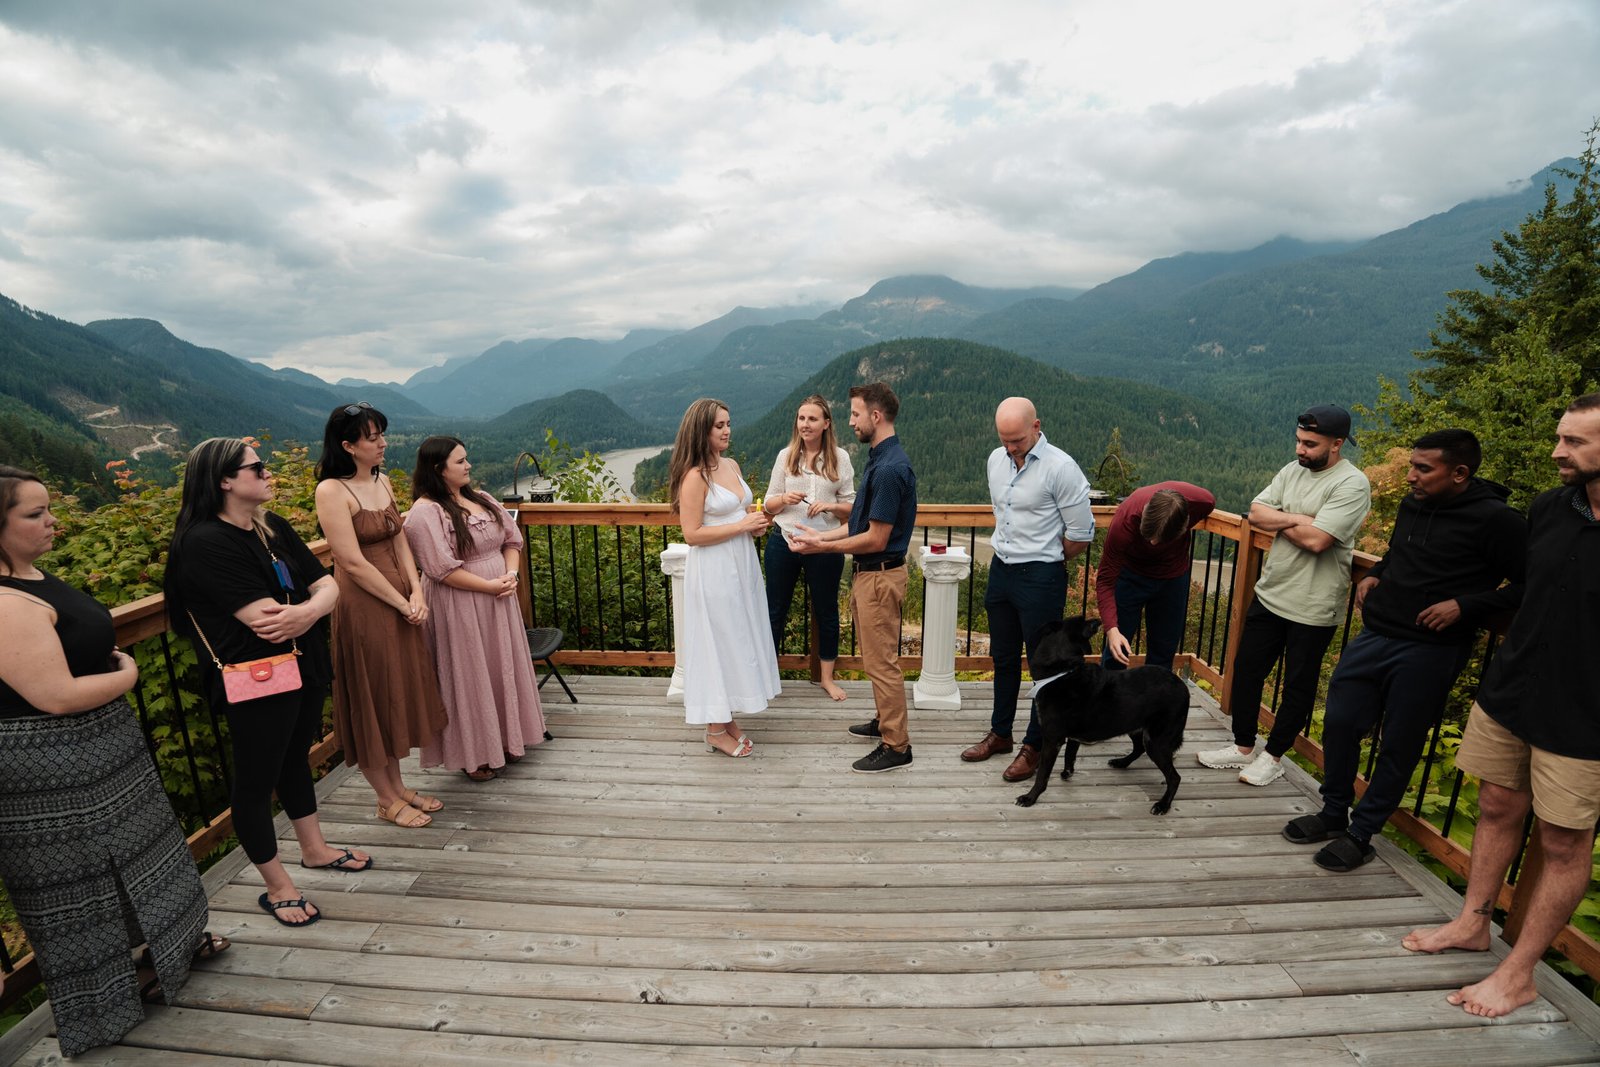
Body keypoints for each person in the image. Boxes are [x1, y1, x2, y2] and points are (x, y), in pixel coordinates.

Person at [0, 466, 222, 1058]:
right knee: (77, 889)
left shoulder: (33, 578)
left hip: (99, 752)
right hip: (49, 767)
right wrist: (127, 675)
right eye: (35, 514)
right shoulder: (5, 604)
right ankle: (102, 1009)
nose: (52, 521)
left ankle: (167, 954)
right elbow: (55, 696)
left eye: (49, 508)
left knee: (141, 858)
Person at [1402, 393, 1600, 1018]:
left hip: (1585, 715)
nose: (1557, 451)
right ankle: (1473, 922)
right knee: (1495, 804)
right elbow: (1524, 588)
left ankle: (1518, 974)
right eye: (1560, 437)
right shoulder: (1550, 507)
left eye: (1574, 442)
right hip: (1512, 688)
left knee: (1564, 843)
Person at [1283, 429, 1524, 871]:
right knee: (1340, 722)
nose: (1410, 476)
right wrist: (1377, 573)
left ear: (1459, 473)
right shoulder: (1414, 504)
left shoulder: (1497, 521)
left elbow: (1530, 584)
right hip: (1377, 633)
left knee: (1399, 741)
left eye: (1423, 469)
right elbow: (1400, 551)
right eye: (1412, 465)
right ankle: (1333, 812)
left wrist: (1465, 606)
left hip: (1432, 648)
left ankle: (1361, 833)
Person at [166, 439, 370, 932]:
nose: (267, 473)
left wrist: (308, 610)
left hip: (302, 664)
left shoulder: (269, 525)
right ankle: (277, 886)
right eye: (257, 468)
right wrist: (311, 608)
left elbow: (328, 582)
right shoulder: (204, 542)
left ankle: (314, 849)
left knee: (294, 758)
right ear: (224, 480)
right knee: (256, 781)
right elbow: (266, 620)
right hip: (258, 678)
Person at [1197, 405, 1371, 786]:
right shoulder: (1293, 471)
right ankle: (1243, 746)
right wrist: (1299, 519)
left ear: (1337, 444)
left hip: (1314, 604)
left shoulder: (1352, 484)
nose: (1299, 450)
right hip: (1272, 592)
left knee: (1297, 685)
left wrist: (1285, 520)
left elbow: (1318, 541)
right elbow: (1256, 513)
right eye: (1299, 440)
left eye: (1310, 444)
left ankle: (1274, 756)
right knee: (1247, 670)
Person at [314, 403, 449, 829]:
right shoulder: (331, 491)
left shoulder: (382, 481)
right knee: (371, 694)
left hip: (400, 599)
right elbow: (351, 562)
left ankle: (398, 787)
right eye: (373, 438)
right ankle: (385, 798)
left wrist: (417, 589)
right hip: (365, 607)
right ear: (348, 446)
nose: (383, 444)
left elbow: (400, 541)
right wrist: (400, 601)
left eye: (382, 435)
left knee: (394, 690)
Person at [960, 397, 1094, 783]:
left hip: (1041, 577)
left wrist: (1045, 559)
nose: (1010, 447)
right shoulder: (995, 460)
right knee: (1003, 658)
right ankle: (1001, 733)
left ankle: (1036, 745)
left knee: (1044, 666)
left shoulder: (1061, 468)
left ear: (1037, 427)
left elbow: (1081, 534)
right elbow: (1001, 514)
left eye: (1017, 440)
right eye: (1004, 439)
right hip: (1001, 572)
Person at [790, 382, 918, 773]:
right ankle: (883, 720)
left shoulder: (890, 469)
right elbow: (859, 524)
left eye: (856, 414)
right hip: (871, 575)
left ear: (876, 416)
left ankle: (896, 745)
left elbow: (876, 538)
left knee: (882, 664)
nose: (851, 422)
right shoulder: (880, 459)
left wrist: (821, 548)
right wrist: (820, 537)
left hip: (880, 577)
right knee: (875, 660)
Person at [404, 436, 546, 781]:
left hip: (499, 598)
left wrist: (510, 575)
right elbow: (441, 570)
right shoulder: (425, 512)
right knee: (468, 674)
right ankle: (474, 755)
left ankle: (507, 739)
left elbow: (512, 540)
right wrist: (490, 586)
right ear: (438, 468)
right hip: (460, 603)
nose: (468, 466)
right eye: (460, 461)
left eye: (466, 459)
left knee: (501, 666)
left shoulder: (481, 498)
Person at [668, 399, 782, 754]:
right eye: (719, 426)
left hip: (742, 565)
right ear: (701, 430)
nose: (727, 430)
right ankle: (715, 730)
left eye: (728, 424)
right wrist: (741, 526)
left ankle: (726, 717)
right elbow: (692, 534)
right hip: (714, 569)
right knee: (718, 641)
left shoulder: (731, 465)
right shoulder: (694, 476)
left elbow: (739, 513)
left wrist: (754, 526)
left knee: (738, 638)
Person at [762, 394, 856, 701]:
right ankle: (766, 678)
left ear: (826, 423)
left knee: (827, 611)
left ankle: (827, 679)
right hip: (784, 541)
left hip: (825, 545)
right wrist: (783, 499)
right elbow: (768, 504)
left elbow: (852, 507)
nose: (805, 424)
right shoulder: (786, 456)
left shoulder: (840, 458)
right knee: (774, 610)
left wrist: (830, 506)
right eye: (802, 418)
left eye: (812, 419)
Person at [1096, 481, 1216, 672]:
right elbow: (1105, 581)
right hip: (1130, 577)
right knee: (1116, 650)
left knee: (1163, 652)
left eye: (1160, 540)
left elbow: (1207, 505)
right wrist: (1111, 629)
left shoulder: (1202, 502)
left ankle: (1155, 692)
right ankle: (1109, 691)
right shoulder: (1124, 522)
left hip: (1173, 578)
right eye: (1148, 536)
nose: (1152, 544)